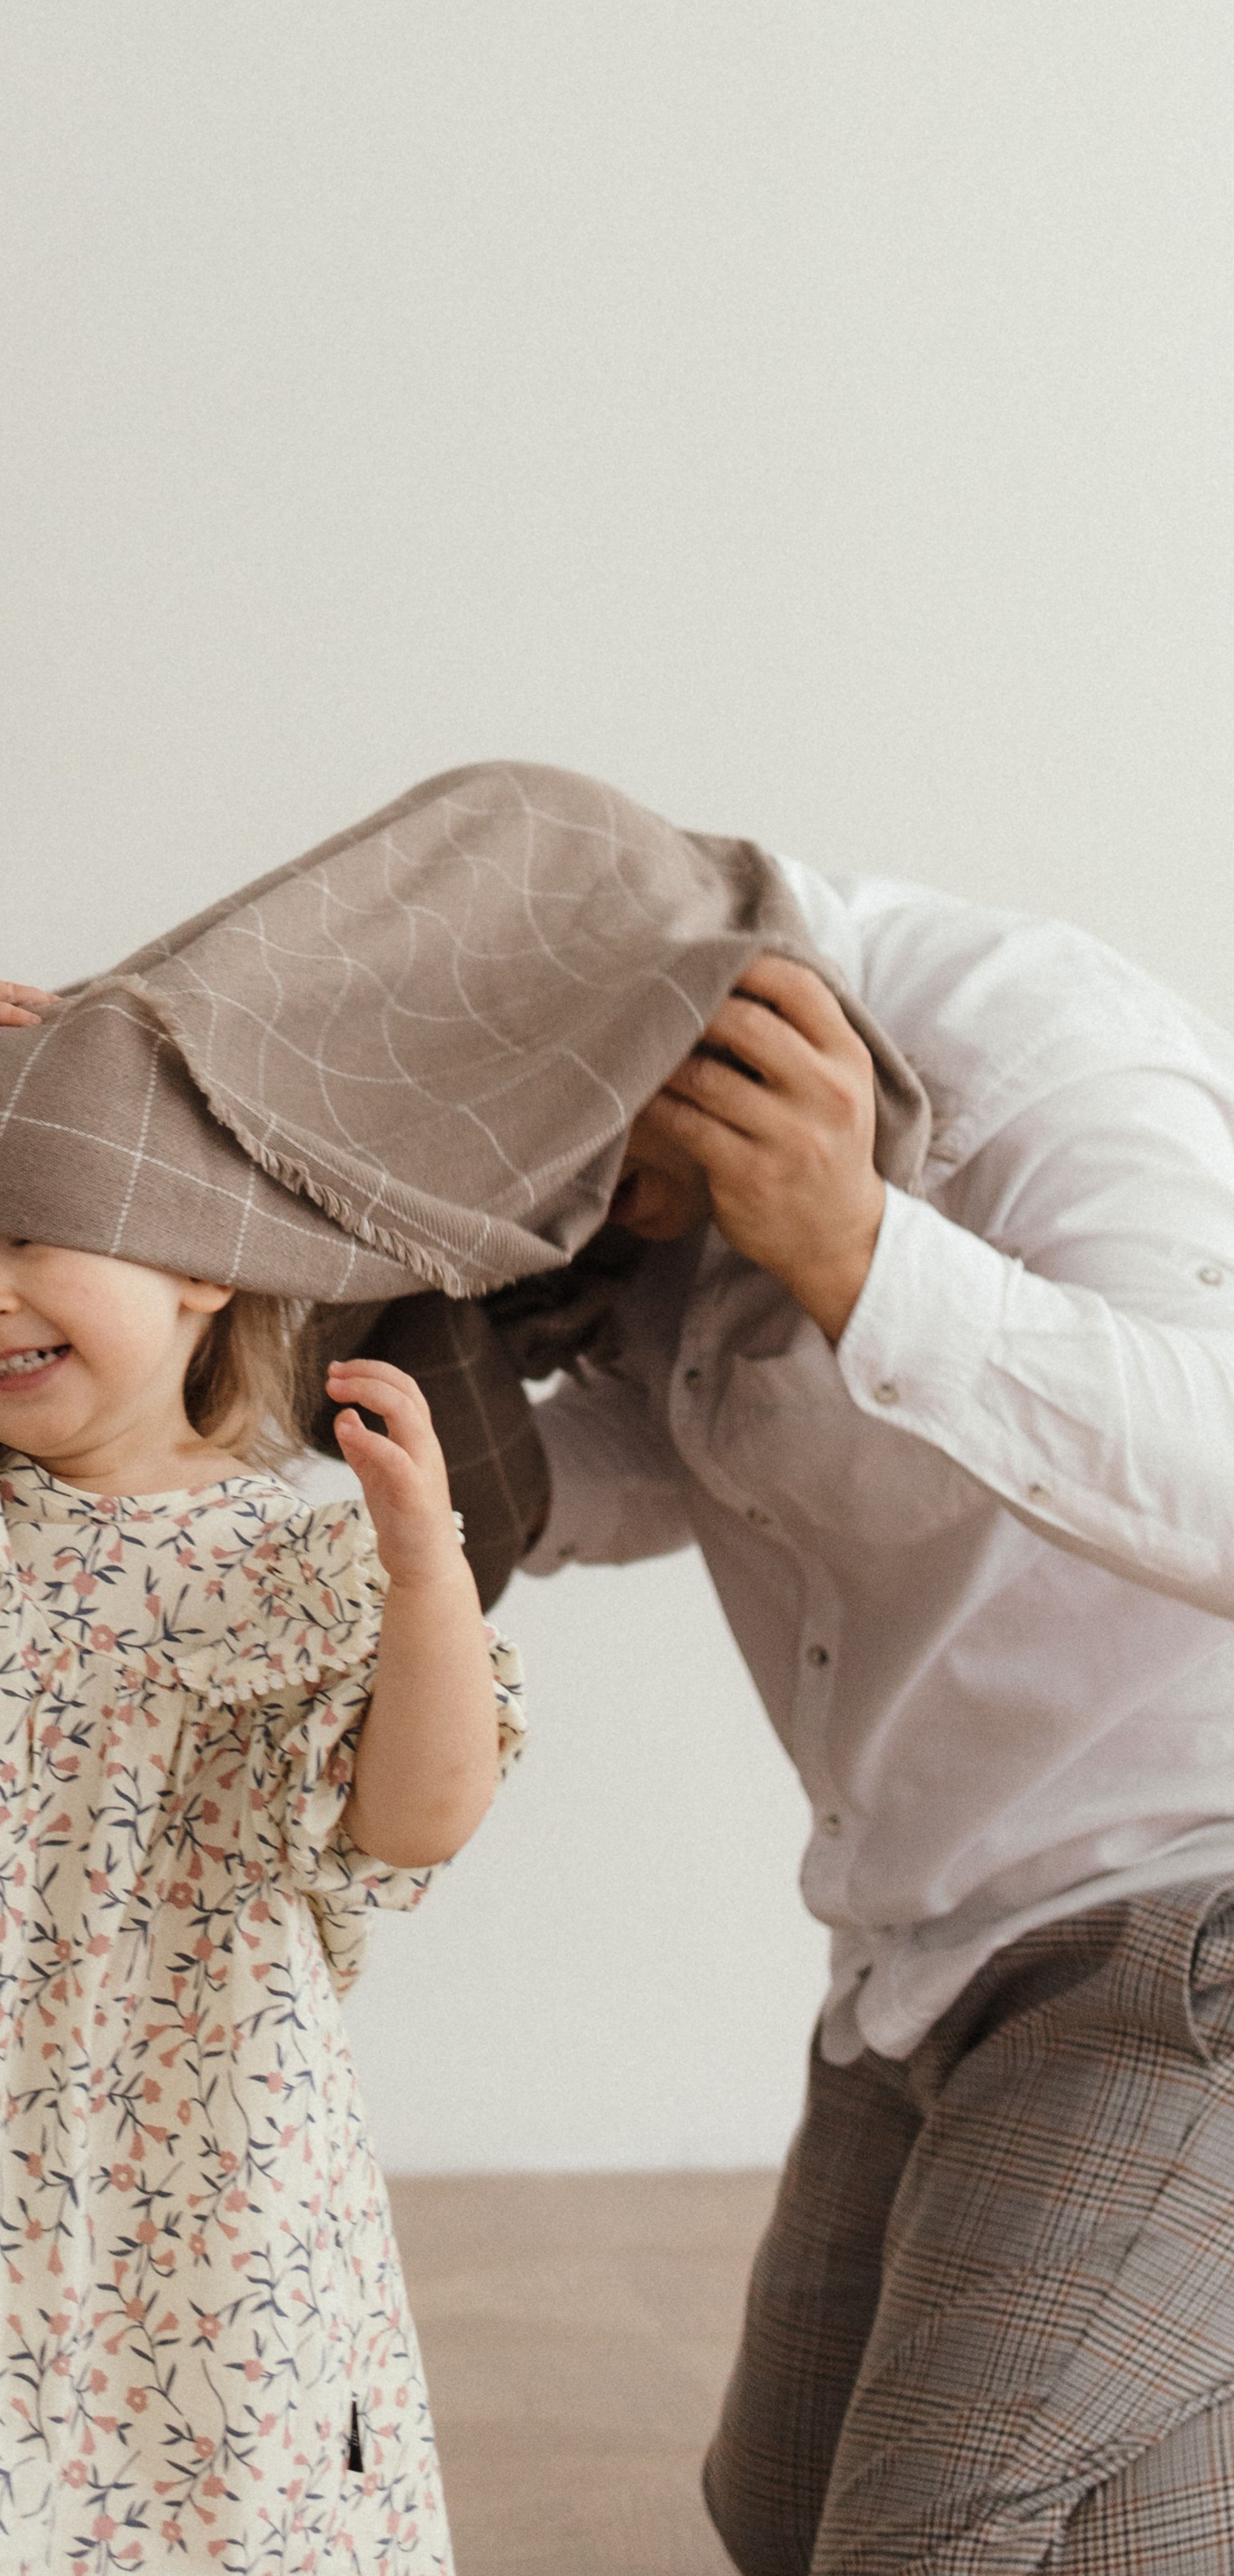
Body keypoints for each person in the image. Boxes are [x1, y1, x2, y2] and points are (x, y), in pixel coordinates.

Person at [0, 966, 528, 2573]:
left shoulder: (299, 1554)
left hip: (210, 2153)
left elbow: (415, 1822)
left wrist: (425, 1575)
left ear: (201, 1272)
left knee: (234, 2503)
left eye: (35, 1241)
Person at [524, 870, 1234, 2574]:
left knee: (945, 2538)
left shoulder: (1036, 1052)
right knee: (773, 2520)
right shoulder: (655, 1205)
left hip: (1177, 1911)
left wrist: (855, 1250)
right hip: (921, 1953)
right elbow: (670, 1455)